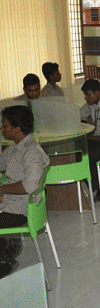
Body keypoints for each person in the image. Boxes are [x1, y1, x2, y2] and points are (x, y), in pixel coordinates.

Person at [0, 106, 49, 278]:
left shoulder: (32, 152)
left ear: (17, 129)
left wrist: (2, 189)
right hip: (11, 204)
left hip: (20, 210)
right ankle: (7, 249)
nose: (2, 128)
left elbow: (29, 186)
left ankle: (5, 260)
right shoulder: (16, 148)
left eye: (5, 125)